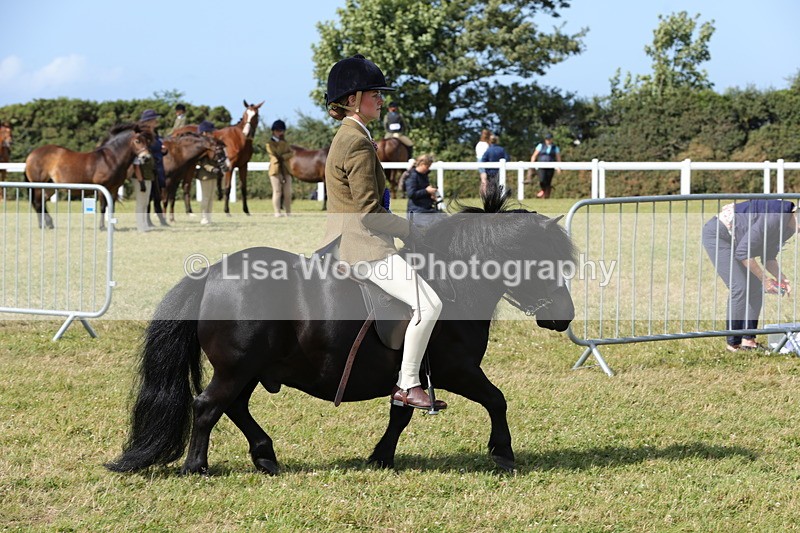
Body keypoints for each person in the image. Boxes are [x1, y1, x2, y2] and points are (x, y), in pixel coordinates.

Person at [321, 53, 446, 410]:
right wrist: (413, 229)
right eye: (373, 93)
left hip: (350, 237)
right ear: (352, 100)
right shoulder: (356, 142)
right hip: (363, 245)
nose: (380, 99)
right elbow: (369, 212)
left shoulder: (352, 135)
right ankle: (408, 384)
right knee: (429, 304)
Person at [702, 200, 798, 352]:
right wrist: (765, 280)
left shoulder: (790, 228)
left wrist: (781, 277)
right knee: (740, 286)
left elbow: (769, 256)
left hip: (738, 239)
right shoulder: (775, 216)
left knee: (755, 287)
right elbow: (744, 253)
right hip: (719, 235)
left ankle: (748, 341)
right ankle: (733, 344)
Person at [138, 109, 169, 227]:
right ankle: (147, 220)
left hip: (157, 166)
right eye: (154, 119)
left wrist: (163, 150)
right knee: (149, 196)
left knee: (157, 194)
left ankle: (160, 219)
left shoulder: (155, 133)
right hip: (148, 167)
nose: (156, 121)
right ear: (148, 121)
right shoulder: (143, 135)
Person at [266, 119, 294, 217]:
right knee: (277, 191)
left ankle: (288, 212)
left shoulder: (285, 142)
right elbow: (275, 153)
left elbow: (291, 153)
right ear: (274, 131)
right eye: (278, 130)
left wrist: (283, 157)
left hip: (286, 169)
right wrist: (282, 153)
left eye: (281, 130)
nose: (280, 132)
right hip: (275, 169)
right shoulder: (270, 143)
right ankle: (277, 212)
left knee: (288, 192)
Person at [405, 154, 440, 227]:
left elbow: (422, 191)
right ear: (422, 164)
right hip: (417, 211)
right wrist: (427, 191)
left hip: (425, 209)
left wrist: (431, 195)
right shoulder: (412, 176)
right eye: (427, 167)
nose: (428, 169)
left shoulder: (423, 175)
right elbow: (411, 194)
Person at [196, 121, 220, 225]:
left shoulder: (212, 143)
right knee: (205, 197)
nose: (212, 134)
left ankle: (209, 217)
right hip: (205, 174)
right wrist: (211, 168)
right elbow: (202, 161)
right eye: (210, 132)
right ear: (204, 133)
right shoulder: (202, 145)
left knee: (211, 197)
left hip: (213, 173)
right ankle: (204, 217)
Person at [530, 133, 561, 199]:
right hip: (541, 166)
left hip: (551, 166)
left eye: (549, 139)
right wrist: (532, 164)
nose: (548, 141)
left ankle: (546, 196)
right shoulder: (540, 146)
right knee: (542, 179)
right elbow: (534, 155)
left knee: (548, 181)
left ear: (552, 139)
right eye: (547, 139)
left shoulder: (555, 147)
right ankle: (543, 191)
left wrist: (558, 167)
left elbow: (558, 158)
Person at [132, 142, 154, 233]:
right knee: (141, 203)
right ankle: (140, 225)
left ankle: (144, 224)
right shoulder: (138, 154)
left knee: (146, 202)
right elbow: (136, 167)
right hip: (141, 179)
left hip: (148, 178)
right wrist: (141, 181)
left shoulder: (149, 152)